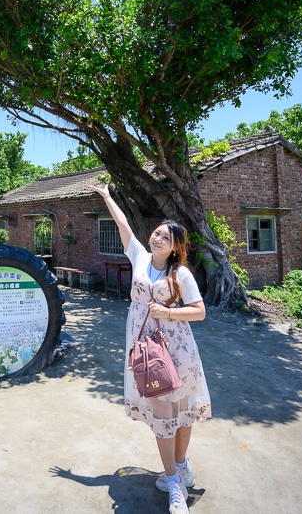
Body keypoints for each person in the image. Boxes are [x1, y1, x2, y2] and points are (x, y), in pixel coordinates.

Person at [89, 184, 211, 514]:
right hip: (147, 350)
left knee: (183, 414)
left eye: (164, 238)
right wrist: (107, 196)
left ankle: (179, 468)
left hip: (179, 349)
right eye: (156, 233)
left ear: (174, 248)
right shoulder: (140, 258)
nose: (156, 238)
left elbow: (199, 311)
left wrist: (169, 311)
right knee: (162, 415)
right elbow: (123, 226)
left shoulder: (180, 273)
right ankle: (173, 482)